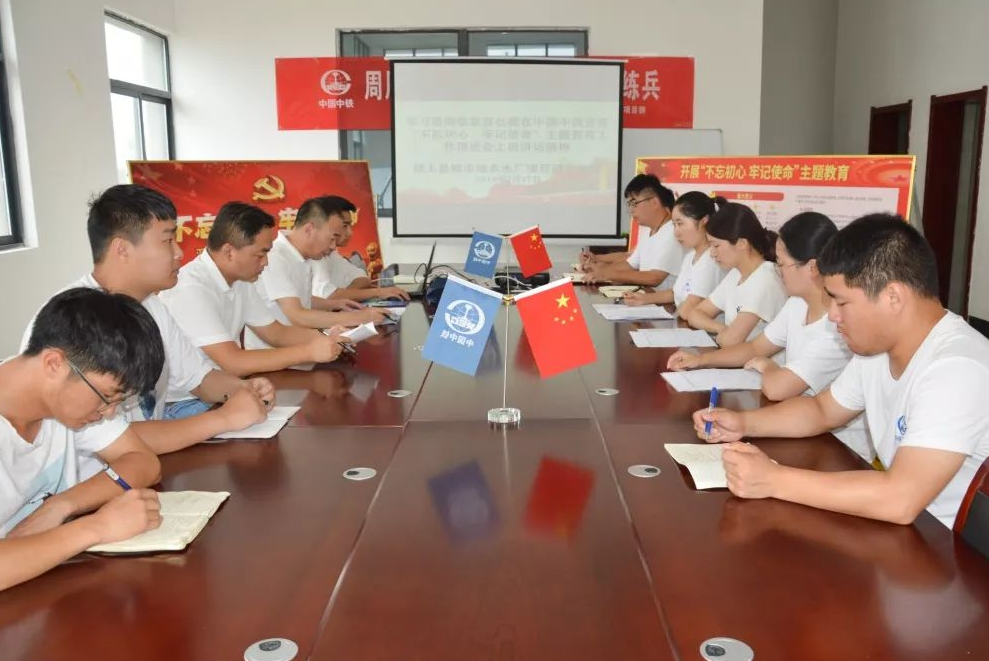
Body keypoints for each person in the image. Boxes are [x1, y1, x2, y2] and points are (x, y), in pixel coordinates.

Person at [694, 214, 989, 528]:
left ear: (893, 297)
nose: (833, 316)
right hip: (906, 529)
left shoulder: (956, 367)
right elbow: (821, 411)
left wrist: (774, 479)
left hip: (946, 543)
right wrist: (742, 423)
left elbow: (900, 498)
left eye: (841, 302)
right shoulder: (877, 348)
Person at [22, 184, 273, 471]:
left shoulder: (151, 305)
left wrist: (244, 390)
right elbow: (117, 440)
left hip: (146, 469)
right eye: (167, 241)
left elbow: (200, 380)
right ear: (122, 249)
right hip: (99, 479)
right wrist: (224, 418)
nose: (179, 252)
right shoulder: (70, 320)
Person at [668, 212, 871, 460]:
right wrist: (701, 360)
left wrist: (769, 366)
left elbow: (778, 389)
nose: (777, 272)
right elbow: (755, 348)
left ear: (812, 267)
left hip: (840, 448)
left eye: (781, 264)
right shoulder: (797, 303)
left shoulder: (839, 327)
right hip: (795, 425)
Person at [1, 288, 165, 590]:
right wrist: (97, 528)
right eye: (107, 396)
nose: (109, 412)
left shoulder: (61, 400)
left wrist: (61, 505)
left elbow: (144, 462)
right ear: (54, 364)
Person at [160, 202, 349, 377]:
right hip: (189, 397)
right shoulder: (190, 288)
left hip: (223, 384)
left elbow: (276, 333)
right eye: (260, 255)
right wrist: (308, 352)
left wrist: (328, 336)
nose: (265, 262)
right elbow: (233, 361)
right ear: (229, 252)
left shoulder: (242, 280)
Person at [247, 195, 386, 350]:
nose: (333, 247)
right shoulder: (275, 257)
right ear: (309, 229)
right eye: (332, 238)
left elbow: (298, 298)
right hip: (273, 355)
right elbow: (298, 315)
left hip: (301, 347)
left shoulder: (302, 257)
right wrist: (358, 317)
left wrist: (333, 304)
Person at [684, 198, 787, 346]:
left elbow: (729, 342)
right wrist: (721, 329)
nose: (712, 253)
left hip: (759, 361)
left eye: (716, 246)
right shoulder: (736, 274)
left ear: (742, 243)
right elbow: (694, 314)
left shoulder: (766, 278)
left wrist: (724, 335)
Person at [624, 191, 725, 319]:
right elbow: (676, 293)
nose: (676, 232)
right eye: (674, 225)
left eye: (680, 223)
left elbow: (688, 310)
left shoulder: (712, 260)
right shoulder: (691, 255)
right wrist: (644, 299)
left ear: (703, 221)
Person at [580, 174, 684, 287]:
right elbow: (630, 264)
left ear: (654, 202)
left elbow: (654, 277)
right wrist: (598, 271)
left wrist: (606, 274)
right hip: (646, 295)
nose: (630, 210)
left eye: (633, 203)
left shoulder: (674, 232)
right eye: (629, 204)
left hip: (664, 298)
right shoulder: (648, 232)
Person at [311, 204, 408, 302]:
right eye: (344, 226)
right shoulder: (315, 255)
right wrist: (377, 292)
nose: (350, 232)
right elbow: (328, 297)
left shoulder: (331, 255)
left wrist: (346, 295)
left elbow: (363, 278)